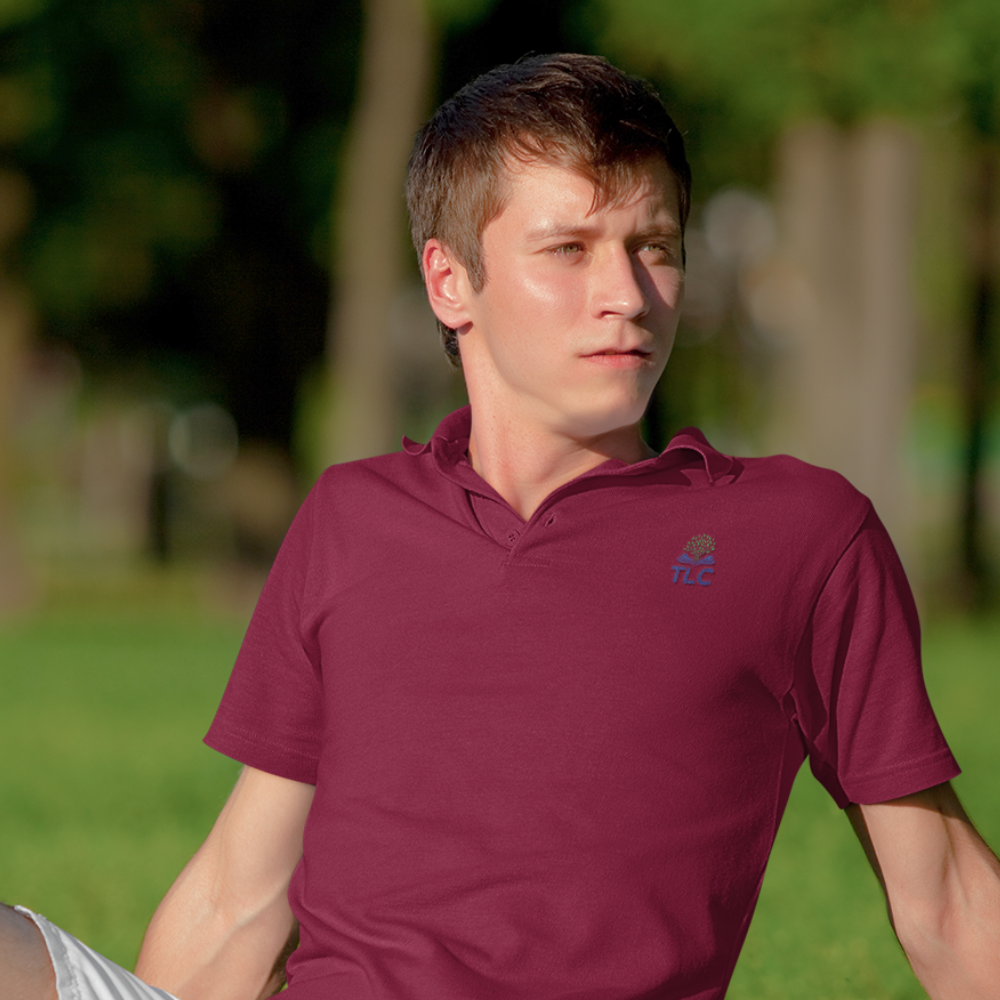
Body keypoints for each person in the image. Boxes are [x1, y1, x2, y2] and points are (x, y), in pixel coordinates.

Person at [4, 52, 1000, 1000]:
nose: (624, 297)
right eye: (568, 250)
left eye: (652, 247)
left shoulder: (795, 533)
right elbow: (240, 892)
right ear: (450, 281)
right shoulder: (356, 518)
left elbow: (946, 897)